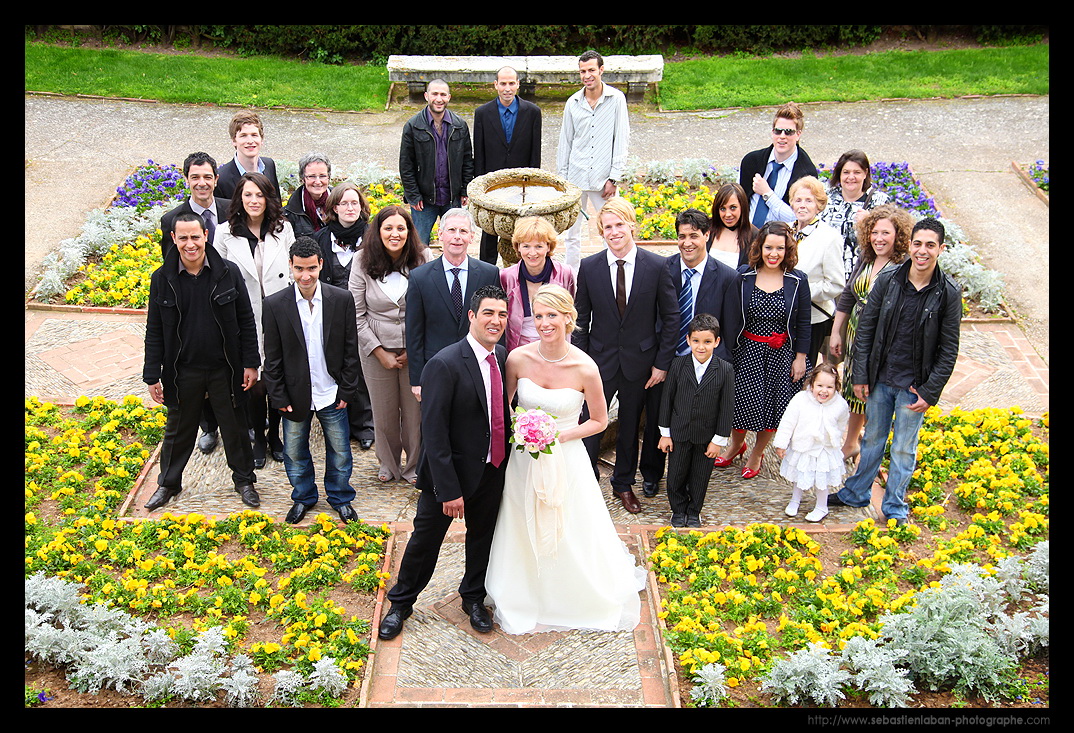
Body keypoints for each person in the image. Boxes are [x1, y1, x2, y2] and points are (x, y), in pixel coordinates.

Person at [486, 284, 646, 634]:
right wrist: (523, 428)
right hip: (524, 457)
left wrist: (555, 435)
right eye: (539, 315)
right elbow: (503, 407)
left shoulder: (585, 367)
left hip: (565, 456)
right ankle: (521, 586)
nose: (544, 323)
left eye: (552, 315)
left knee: (567, 521)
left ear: (568, 318)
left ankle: (567, 590)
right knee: (520, 514)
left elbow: (600, 421)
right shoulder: (518, 358)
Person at [378, 285, 512, 641]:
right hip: (448, 476)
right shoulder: (445, 363)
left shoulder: (503, 358)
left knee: (482, 538)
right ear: (472, 316)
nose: (495, 321)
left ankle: (473, 599)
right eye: (488, 313)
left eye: (501, 314)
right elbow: (433, 433)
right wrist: (448, 490)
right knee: (425, 541)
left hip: (492, 469)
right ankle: (401, 604)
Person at [829, 218, 962, 526]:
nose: (923, 251)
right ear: (910, 245)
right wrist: (860, 375)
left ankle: (895, 506)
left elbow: (948, 348)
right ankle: (856, 492)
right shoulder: (889, 279)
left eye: (930, 245)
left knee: (904, 448)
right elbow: (866, 331)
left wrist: (930, 392)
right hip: (880, 379)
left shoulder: (948, 293)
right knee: (872, 438)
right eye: (918, 244)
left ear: (941, 249)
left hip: (914, 387)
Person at [142, 213, 260, 511]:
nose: (190, 244)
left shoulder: (228, 273)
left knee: (234, 426)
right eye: (183, 238)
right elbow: (154, 329)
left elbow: (246, 320)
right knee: (178, 430)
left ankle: (244, 480)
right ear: (173, 239)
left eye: (195, 236)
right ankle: (168, 484)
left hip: (225, 368)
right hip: (183, 371)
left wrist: (251, 362)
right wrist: (151, 375)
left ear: (206, 235)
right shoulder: (161, 278)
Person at [572, 197, 678, 514]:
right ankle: (584, 479)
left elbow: (672, 319)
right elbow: (580, 321)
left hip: (641, 365)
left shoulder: (657, 266)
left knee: (630, 428)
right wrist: (583, 363)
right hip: (599, 363)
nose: (614, 232)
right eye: (608, 227)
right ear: (601, 232)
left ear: (632, 225)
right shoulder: (589, 268)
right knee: (591, 423)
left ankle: (622, 484)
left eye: (620, 225)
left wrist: (661, 364)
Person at [261, 237, 363, 525]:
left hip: (331, 392)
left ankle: (341, 498)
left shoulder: (340, 299)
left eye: (310, 268)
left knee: (341, 451)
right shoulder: (274, 305)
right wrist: (278, 397)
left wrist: (346, 389)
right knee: (294, 453)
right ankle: (303, 497)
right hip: (294, 395)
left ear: (321, 265)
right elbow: (273, 358)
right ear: (290, 267)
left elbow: (349, 349)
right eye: (298, 269)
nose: (305, 276)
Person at [639, 208, 738, 499]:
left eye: (694, 235)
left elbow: (729, 328)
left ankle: (689, 483)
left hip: (704, 362)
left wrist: (721, 369)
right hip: (666, 361)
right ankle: (651, 473)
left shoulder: (726, 277)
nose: (687, 242)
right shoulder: (662, 269)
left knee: (697, 422)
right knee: (659, 416)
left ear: (707, 235)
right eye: (682, 236)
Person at [714, 221, 812, 480]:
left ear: (787, 249)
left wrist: (800, 358)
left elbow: (803, 322)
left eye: (780, 248)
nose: (774, 253)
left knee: (772, 408)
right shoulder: (744, 277)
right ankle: (736, 445)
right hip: (747, 351)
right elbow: (730, 316)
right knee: (740, 405)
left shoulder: (797, 280)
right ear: (760, 247)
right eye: (769, 247)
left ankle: (757, 452)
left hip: (782, 355)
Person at [213, 171, 296, 468]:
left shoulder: (282, 229)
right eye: (248, 194)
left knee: (276, 375)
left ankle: (275, 435)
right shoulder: (224, 233)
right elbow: (218, 279)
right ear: (239, 198)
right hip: (244, 317)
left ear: (268, 198)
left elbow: (293, 269)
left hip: (278, 313)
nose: (254, 200)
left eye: (259, 194)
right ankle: (258, 437)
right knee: (253, 380)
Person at [349, 205, 434, 484]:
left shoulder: (424, 258)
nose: (395, 234)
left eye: (401, 228)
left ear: (409, 231)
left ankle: (412, 466)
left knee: (414, 413)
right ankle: (387, 463)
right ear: (378, 231)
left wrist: (414, 348)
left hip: (415, 350)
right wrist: (378, 351)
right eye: (388, 228)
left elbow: (430, 311)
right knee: (383, 413)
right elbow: (356, 314)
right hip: (375, 349)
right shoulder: (361, 261)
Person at [158, 151, 232, 456]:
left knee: (225, 365)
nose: (202, 183)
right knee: (193, 364)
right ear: (187, 179)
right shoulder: (170, 220)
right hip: (190, 306)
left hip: (227, 299)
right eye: (195, 177)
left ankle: (236, 421)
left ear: (216, 179)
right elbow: (169, 268)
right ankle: (208, 426)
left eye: (207, 177)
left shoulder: (231, 210)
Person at [829, 204, 912, 459]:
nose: (879, 239)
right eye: (875, 232)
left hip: (880, 337)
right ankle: (852, 440)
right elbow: (848, 295)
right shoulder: (867, 256)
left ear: (898, 235)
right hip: (856, 330)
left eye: (885, 233)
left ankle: (854, 442)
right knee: (852, 387)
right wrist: (836, 331)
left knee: (868, 388)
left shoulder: (903, 266)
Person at [405, 208, 501, 402]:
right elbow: (414, 332)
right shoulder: (419, 277)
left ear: (472, 237)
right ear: (440, 234)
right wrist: (416, 379)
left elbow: (497, 324)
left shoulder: (488, 274)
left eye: (463, 231)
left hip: (478, 365)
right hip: (435, 368)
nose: (457, 237)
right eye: (451, 230)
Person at [656, 313, 735, 528]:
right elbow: (667, 400)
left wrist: (718, 440)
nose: (701, 347)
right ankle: (678, 509)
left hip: (706, 436)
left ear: (716, 342)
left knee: (700, 477)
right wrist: (665, 434)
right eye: (696, 341)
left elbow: (726, 408)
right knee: (676, 474)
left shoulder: (725, 370)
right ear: (688, 340)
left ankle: (694, 511)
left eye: (707, 342)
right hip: (679, 433)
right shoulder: (678, 365)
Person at [314, 181, 375, 451]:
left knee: (360, 368)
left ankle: (365, 425)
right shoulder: (321, 239)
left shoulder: (373, 238)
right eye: (344, 203)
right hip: (330, 314)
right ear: (334, 207)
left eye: (354, 203)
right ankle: (339, 423)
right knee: (335, 367)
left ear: (361, 207)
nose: (349, 208)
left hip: (363, 312)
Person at [557, 50, 630, 271]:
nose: (587, 75)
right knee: (572, 234)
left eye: (591, 70)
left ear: (601, 70)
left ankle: (613, 271)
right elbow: (565, 142)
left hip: (603, 179)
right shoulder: (573, 102)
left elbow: (621, 139)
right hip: (575, 179)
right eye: (582, 71)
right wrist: (563, 182)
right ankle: (572, 276)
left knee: (613, 228)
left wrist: (614, 177)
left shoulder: (616, 99)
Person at [473, 66, 542, 264]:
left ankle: (522, 267)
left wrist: (532, 185)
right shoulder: (483, 113)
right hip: (492, 183)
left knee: (522, 229)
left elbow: (534, 152)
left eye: (512, 83)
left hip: (521, 184)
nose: (507, 88)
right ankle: (487, 270)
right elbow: (480, 151)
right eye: (503, 83)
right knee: (490, 231)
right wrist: (480, 187)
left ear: (518, 84)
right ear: (495, 85)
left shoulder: (532, 112)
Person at [399, 79, 475, 246]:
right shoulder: (413, 126)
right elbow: (406, 165)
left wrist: (465, 189)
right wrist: (413, 195)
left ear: (449, 97)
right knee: (419, 247)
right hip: (424, 201)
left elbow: (467, 160)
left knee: (455, 243)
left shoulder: (459, 125)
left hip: (452, 198)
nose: (438, 99)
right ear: (426, 96)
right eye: (434, 94)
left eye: (443, 94)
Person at [774, 362, 850, 523]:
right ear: (812, 384)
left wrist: (835, 439)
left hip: (825, 449)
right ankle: (795, 500)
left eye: (829, 387)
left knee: (821, 479)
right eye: (820, 385)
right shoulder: (801, 400)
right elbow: (788, 421)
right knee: (800, 473)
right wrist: (781, 443)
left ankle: (822, 506)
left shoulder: (840, 404)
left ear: (836, 387)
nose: (824, 391)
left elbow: (842, 422)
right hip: (804, 445)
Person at [789, 176, 846, 367]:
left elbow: (836, 284)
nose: (802, 205)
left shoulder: (829, 238)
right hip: (785, 316)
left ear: (819, 205)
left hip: (812, 319)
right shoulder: (786, 230)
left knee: (803, 370)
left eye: (809, 200)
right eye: (798, 200)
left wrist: (799, 292)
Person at [499, 216, 576, 352]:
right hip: (519, 350)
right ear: (518, 247)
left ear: (548, 247)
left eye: (539, 246)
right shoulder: (506, 277)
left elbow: (572, 309)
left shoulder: (565, 273)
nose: (532, 253)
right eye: (526, 246)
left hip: (557, 348)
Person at [739, 101, 818, 228]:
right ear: (772, 132)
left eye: (788, 132)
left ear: (798, 134)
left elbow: (798, 217)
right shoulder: (752, 161)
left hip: (781, 239)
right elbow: (738, 201)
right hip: (746, 233)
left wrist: (767, 193)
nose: (782, 136)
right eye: (778, 131)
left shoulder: (806, 173)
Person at [819, 150, 891, 284]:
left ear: (865, 173)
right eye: (846, 172)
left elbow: (891, 238)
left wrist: (870, 223)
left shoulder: (880, 202)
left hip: (861, 277)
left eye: (857, 172)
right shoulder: (826, 198)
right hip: (827, 274)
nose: (850, 177)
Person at [215, 110, 280, 202]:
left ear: (261, 139)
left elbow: (277, 205)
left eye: (254, 135)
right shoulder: (222, 178)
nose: (250, 141)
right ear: (234, 141)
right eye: (243, 136)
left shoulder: (269, 165)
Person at [706, 182, 755, 269]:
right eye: (722, 209)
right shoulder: (706, 228)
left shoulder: (754, 235)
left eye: (733, 208)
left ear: (742, 207)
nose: (728, 214)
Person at [284, 152, 333, 237]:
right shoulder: (291, 212)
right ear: (303, 179)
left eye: (322, 176)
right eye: (312, 176)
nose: (318, 182)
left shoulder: (341, 200)